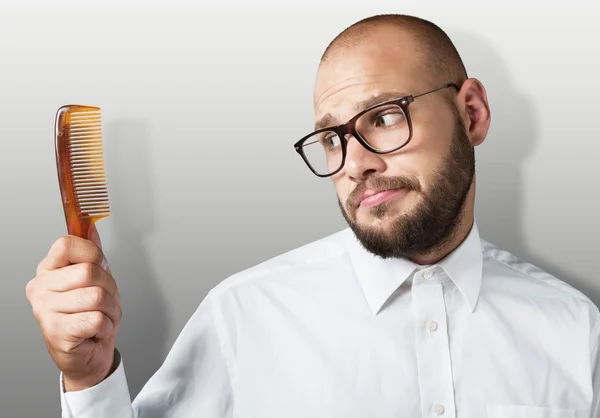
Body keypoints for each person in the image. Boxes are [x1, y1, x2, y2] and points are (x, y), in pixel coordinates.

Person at [26, 13, 599, 418]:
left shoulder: (574, 328)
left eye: (383, 117)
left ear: (471, 112)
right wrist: (88, 378)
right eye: (331, 138)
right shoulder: (244, 317)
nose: (355, 165)